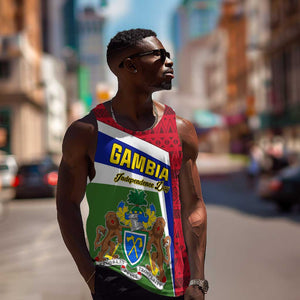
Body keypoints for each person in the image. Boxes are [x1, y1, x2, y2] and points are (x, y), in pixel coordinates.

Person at [56, 28, 207, 300]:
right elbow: (67, 204)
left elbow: (193, 206)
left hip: (174, 281)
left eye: (169, 55)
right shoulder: (88, 131)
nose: (169, 61)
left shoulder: (181, 131)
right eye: (159, 55)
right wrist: (90, 276)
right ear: (129, 66)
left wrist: (197, 279)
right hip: (113, 279)